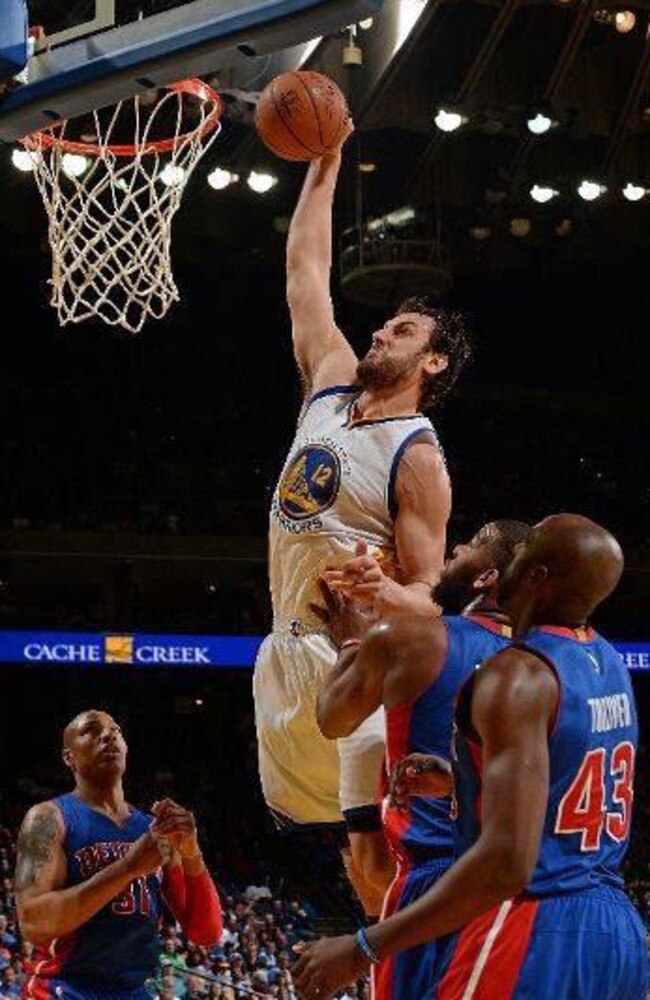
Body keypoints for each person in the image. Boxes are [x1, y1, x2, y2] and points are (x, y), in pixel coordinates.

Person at [253, 117, 472, 912]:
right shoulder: (334, 381)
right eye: (386, 323)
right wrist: (327, 161)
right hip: (285, 652)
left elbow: (434, 597)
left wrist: (380, 598)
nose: (383, 330)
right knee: (343, 869)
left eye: (405, 330)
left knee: (378, 869)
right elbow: (304, 272)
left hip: (361, 662)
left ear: (434, 361)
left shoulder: (418, 456)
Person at [293, 514, 649, 1000]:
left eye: (526, 549)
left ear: (532, 576)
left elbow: (506, 863)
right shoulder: (609, 664)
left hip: (518, 912)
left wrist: (363, 947)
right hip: (615, 928)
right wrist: (464, 780)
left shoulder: (516, 674)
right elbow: (565, 784)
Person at [312, 520, 530, 1000]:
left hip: (428, 884)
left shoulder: (414, 637)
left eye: (471, 544)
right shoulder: (546, 658)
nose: (456, 546)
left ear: (486, 578)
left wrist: (352, 641)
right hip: (516, 890)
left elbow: (333, 719)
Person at [15, 709, 223, 1000]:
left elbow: (206, 934)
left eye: (116, 730)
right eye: (91, 729)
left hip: (135, 992)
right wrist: (127, 868)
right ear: (68, 757)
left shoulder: (149, 829)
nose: (109, 734)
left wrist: (191, 852)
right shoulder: (48, 819)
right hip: (63, 989)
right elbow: (33, 924)